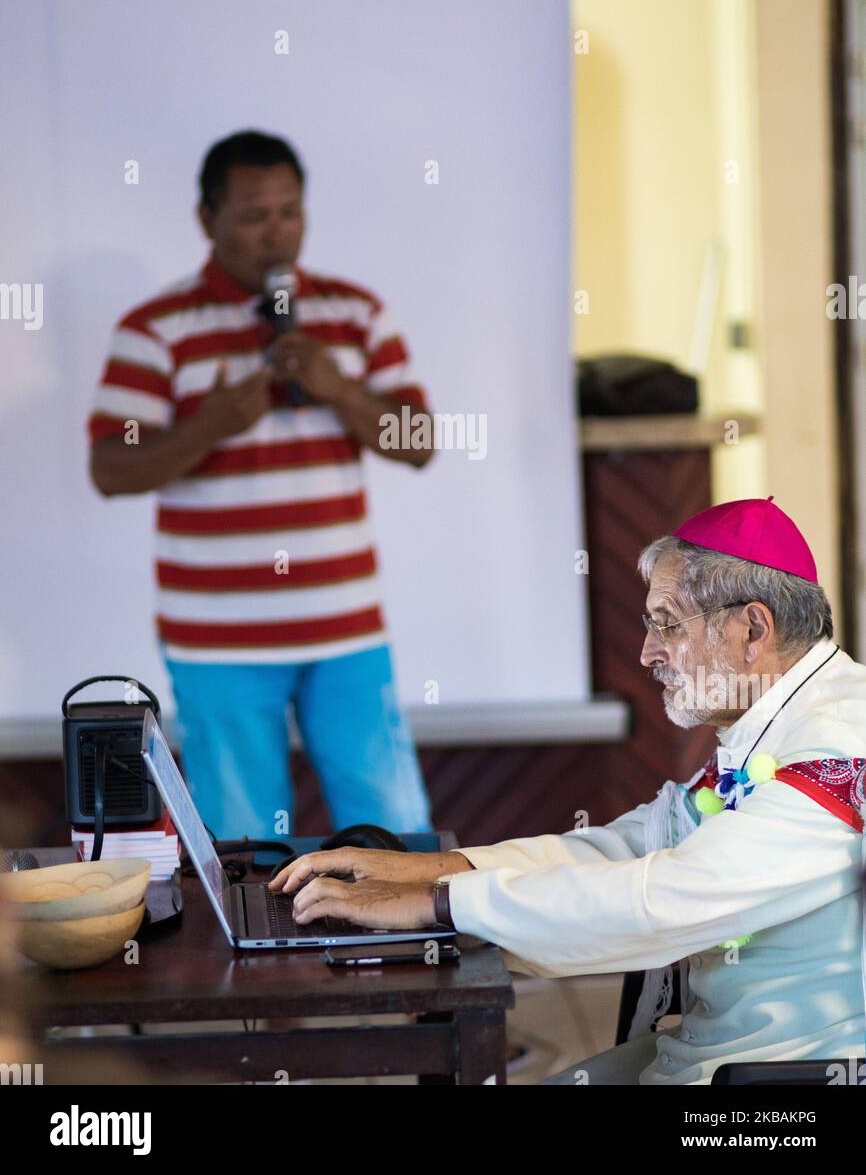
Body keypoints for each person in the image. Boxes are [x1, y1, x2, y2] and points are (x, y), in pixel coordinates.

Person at [269, 497, 866, 1084]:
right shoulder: (776, 721)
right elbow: (626, 849)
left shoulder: (840, 740)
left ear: (752, 629)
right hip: (715, 1058)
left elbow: (669, 896)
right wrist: (424, 871)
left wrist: (441, 904)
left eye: (667, 624)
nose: (647, 652)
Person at [88, 129, 434, 840]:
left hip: (346, 626)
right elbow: (110, 468)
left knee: (393, 826)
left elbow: (420, 444)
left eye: (290, 212)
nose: (276, 234)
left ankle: (411, 949)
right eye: (253, 216)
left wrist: (339, 388)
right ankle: (249, 955)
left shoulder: (354, 313)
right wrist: (207, 426)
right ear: (206, 220)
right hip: (219, 638)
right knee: (244, 840)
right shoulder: (155, 329)